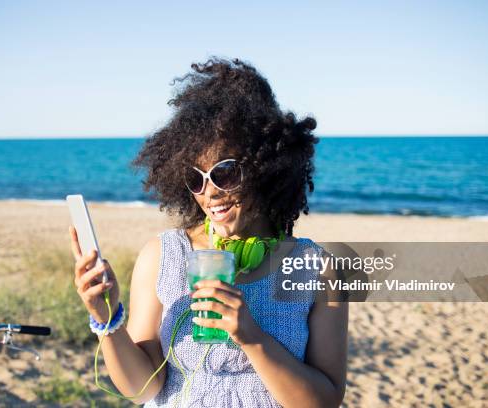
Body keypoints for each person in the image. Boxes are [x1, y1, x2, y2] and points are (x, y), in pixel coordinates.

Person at [70, 58, 348, 407]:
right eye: (195, 178)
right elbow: (141, 387)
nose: (209, 192)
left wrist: (251, 337)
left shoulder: (319, 269)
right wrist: (106, 319)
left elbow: (325, 401)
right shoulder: (162, 256)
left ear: (266, 167)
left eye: (224, 172)